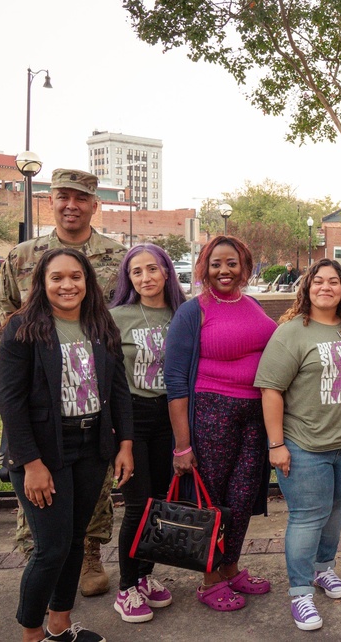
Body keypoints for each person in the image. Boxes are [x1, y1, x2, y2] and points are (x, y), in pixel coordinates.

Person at [0, 168, 127, 597]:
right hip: (41, 389)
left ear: (94, 204)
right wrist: (33, 348)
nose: (71, 204)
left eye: (81, 197)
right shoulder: (23, 255)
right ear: (51, 200)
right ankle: (40, 559)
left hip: (95, 389)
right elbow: (5, 302)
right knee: (41, 490)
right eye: (63, 196)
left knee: (94, 485)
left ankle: (87, 553)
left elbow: (126, 308)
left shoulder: (117, 256)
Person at [0, 248, 134, 642]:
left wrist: (124, 444)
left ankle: (59, 625)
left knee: (76, 540)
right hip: (43, 451)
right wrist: (31, 464)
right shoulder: (23, 328)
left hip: (92, 447)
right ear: (42, 282)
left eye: (76, 276)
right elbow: (11, 402)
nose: (67, 284)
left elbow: (119, 390)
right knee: (51, 548)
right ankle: (31, 634)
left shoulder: (100, 325)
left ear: (88, 282)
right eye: (57, 277)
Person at [165, 235, 278, 611]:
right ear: (204, 268)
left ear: (244, 266)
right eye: (216, 264)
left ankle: (230, 568)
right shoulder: (192, 311)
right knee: (210, 499)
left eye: (231, 263)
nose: (224, 270)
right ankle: (209, 578)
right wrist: (182, 445)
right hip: (212, 413)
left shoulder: (254, 305)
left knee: (243, 497)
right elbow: (176, 380)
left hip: (254, 416)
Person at [256, 258, 341, 631]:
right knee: (307, 516)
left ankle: (323, 569)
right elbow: (271, 390)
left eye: (333, 282)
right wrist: (276, 444)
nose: (325, 287)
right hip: (304, 444)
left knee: (334, 507)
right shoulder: (291, 333)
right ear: (306, 288)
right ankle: (300, 592)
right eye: (317, 281)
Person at [109, 244, 187, 623]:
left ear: (167, 273)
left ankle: (144, 577)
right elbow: (105, 377)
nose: (145, 277)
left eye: (152, 269)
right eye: (136, 271)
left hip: (169, 416)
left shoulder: (182, 314)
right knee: (138, 505)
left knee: (158, 503)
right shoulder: (116, 317)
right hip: (131, 419)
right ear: (129, 278)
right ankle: (126, 587)